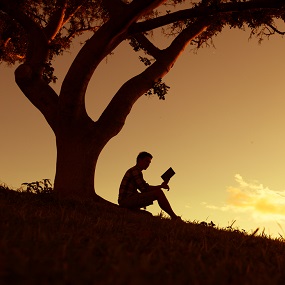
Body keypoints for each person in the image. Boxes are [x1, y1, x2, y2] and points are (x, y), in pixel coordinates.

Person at [118, 151, 180, 220]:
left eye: (149, 162)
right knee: (159, 193)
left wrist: (161, 186)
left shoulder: (136, 171)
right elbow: (145, 189)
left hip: (127, 200)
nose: (148, 164)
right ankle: (174, 217)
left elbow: (143, 188)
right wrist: (161, 186)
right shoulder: (135, 171)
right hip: (126, 201)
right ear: (139, 160)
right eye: (146, 161)